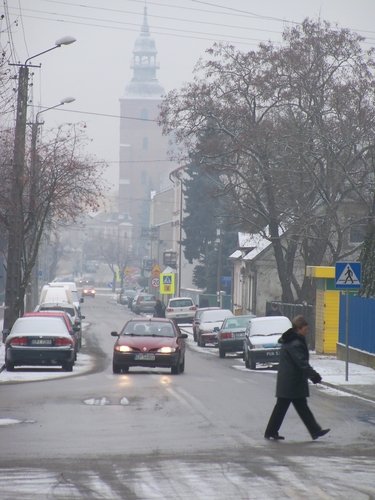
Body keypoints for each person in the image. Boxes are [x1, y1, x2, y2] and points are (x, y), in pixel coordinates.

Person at [264, 315, 330, 441]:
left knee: (294, 407)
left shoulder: (292, 340)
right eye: (305, 329)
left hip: (290, 381)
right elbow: (301, 362)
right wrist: (314, 375)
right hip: (292, 382)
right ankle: (314, 431)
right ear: (299, 329)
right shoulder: (294, 343)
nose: (307, 331)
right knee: (287, 407)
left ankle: (314, 431)